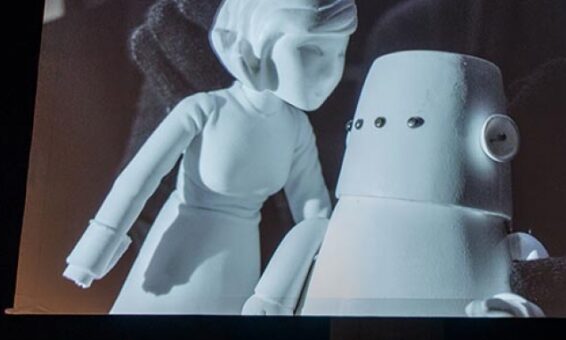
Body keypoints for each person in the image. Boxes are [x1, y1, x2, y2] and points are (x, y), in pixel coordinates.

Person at [63, 0, 356, 314]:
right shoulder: (205, 109)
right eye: (311, 51)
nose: (330, 72)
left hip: (240, 265)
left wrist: (289, 289)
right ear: (253, 48)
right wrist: (96, 247)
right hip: (176, 257)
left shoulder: (295, 128)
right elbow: (139, 178)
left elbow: (313, 214)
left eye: (340, 53)